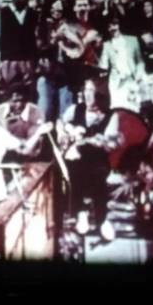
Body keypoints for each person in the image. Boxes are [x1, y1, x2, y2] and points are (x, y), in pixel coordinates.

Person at [58, 77, 113, 240]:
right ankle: (81, 213)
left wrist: (90, 141)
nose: (87, 94)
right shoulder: (75, 109)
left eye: (92, 91)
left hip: (98, 158)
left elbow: (110, 142)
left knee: (99, 177)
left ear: (101, 94)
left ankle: (102, 219)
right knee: (75, 171)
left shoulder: (108, 115)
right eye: (86, 90)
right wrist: (65, 131)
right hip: (77, 158)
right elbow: (60, 122)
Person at [99, 15, 146, 105]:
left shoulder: (133, 40)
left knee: (134, 106)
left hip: (133, 80)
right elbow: (103, 66)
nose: (112, 28)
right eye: (109, 26)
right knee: (119, 107)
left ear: (119, 25)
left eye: (114, 24)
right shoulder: (106, 45)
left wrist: (139, 75)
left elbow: (140, 61)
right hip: (117, 83)